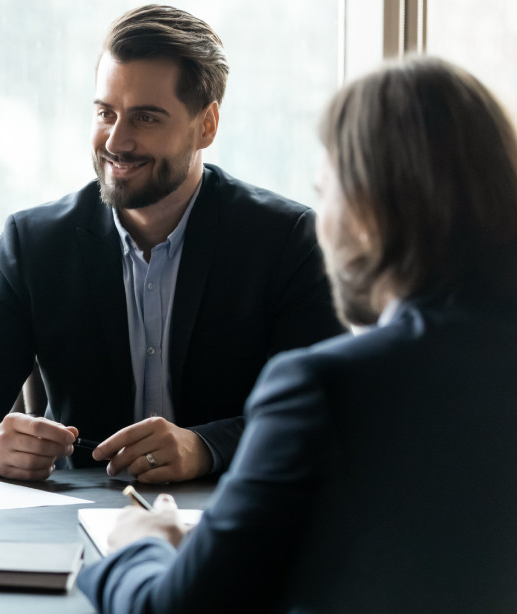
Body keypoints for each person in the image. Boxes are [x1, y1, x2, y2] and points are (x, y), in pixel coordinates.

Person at [79, 56, 517, 613]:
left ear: (371, 211)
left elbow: (172, 609)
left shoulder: (326, 389)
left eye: (325, 191)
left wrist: (137, 546)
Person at [0, 4, 345, 483]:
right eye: (106, 113)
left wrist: (204, 447)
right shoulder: (35, 243)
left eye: (145, 118)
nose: (116, 142)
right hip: (75, 529)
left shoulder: (286, 240)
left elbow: (330, 409)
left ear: (206, 125)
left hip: (236, 520)